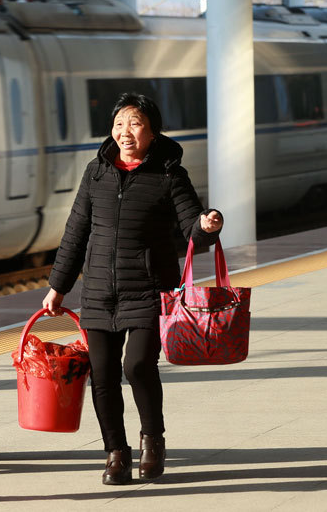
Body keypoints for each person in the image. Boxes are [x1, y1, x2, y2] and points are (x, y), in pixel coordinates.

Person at [41, 92, 223, 485]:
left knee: (137, 365)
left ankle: (152, 441)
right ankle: (116, 453)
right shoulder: (96, 171)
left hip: (149, 289)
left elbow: (191, 226)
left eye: (135, 124)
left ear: (153, 132)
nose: (126, 132)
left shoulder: (170, 175)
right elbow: (76, 231)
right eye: (119, 124)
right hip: (98, 293)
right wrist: (58, 286)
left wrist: (207, 226)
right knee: (102, 375)